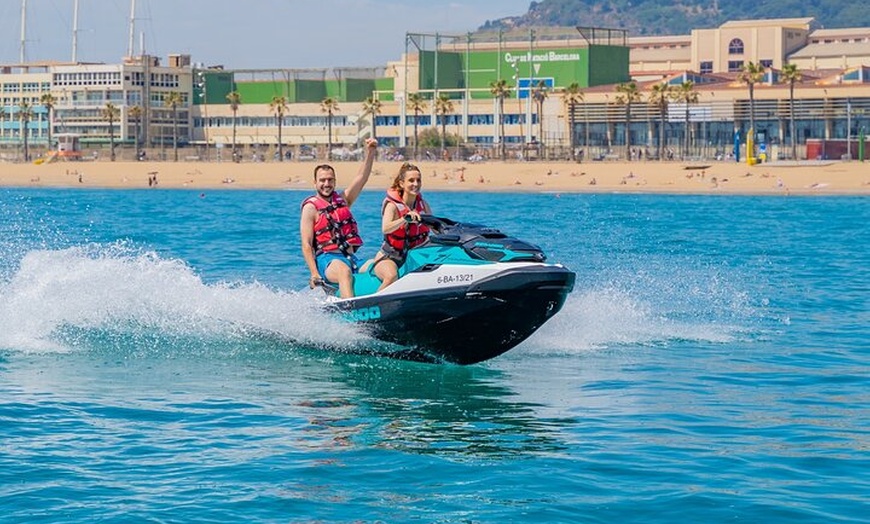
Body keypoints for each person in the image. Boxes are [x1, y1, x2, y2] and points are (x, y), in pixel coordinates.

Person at [300, 137, 378, 298]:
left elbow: (361, 178)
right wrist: (314, 273)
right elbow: (307, 244)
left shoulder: (343, 200)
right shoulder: (310, 208)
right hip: (327, 261)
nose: (326, 183)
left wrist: (370, 152)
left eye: (330, 180)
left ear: (334, 181)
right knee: (344, 271)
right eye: (322, 180)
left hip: (351, 258)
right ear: (315, 183)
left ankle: (383, 301)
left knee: (379, 264)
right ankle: (350, 312)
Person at [371, 162, 432, 290]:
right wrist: (404, 219)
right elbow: (386, 228)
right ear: (401, 183)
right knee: (391, 276)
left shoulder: (423, 205)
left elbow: (433, 227)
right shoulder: (392, 206)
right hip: (389, 257)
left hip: (414, 256)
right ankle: (374, 304)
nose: (415, 184)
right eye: (411, 180)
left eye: (418, 180)